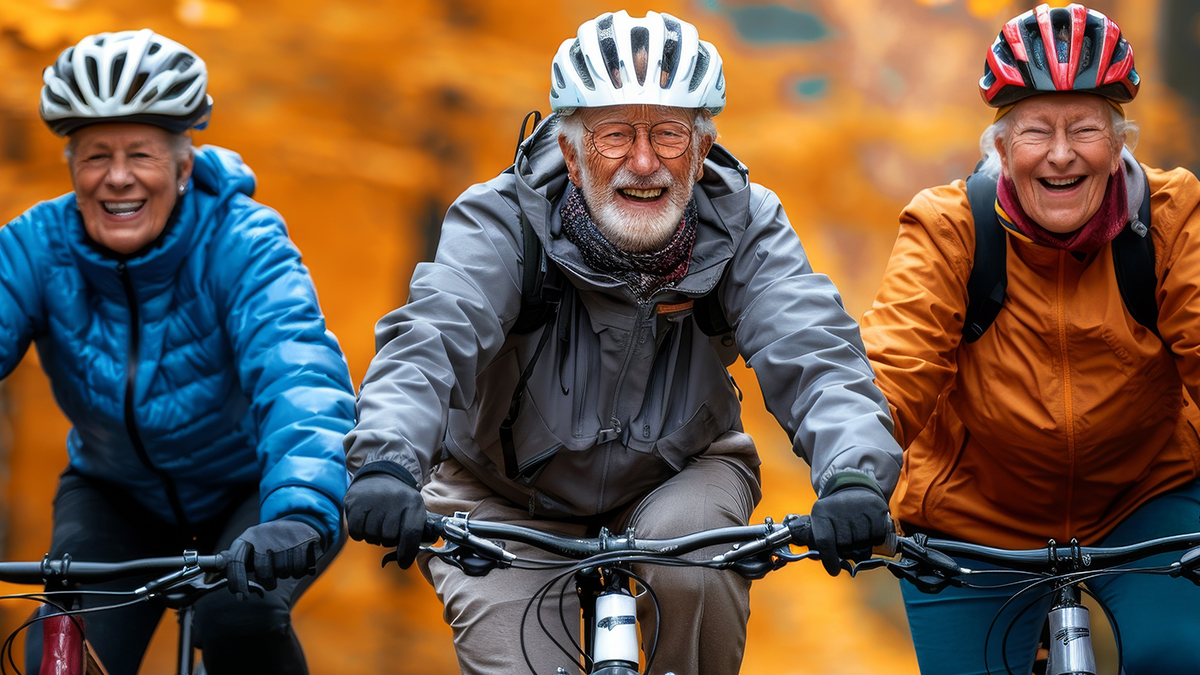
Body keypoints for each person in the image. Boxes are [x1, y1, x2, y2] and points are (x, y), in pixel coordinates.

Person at [342, 10, 902, 675]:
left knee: (695, 565)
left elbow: (813, 350)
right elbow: (432, 338)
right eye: (614, 134)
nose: (643, 162)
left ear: (701, 151)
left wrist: (852, 474)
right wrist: (386, 462)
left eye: (669, 133)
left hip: (682, 476)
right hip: (501, 497)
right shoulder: (501, 220)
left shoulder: (746, 223)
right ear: (571, 154)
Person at [0, 29, 355, 675]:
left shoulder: (243, 240)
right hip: (116, 492)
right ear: (72, 168)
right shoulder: (34, 247)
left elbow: (298, 371)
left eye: (141, 154)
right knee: (60, 650)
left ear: (184, 168)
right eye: (96, 156)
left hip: (254, 489)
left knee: (238, 617)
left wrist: (299, 508)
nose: (117, 178)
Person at [859, 4, 1200, 674]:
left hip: (1145, 496)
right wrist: (854, 473)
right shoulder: (949, 227)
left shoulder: (1170, 217)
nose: (1062, 153)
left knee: (1178, 655)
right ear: (1002, 147)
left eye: (1085, 129)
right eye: (1037, 130)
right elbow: (894, 367)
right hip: (974, 518)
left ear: (1119, 144)